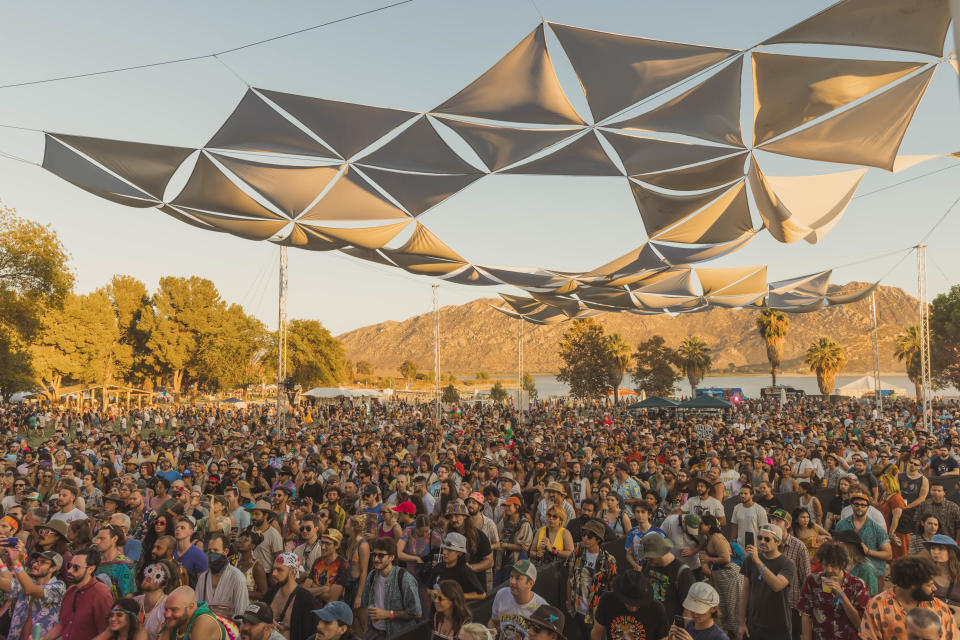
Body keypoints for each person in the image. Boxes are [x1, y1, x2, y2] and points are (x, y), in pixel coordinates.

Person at [859, 555, 960, 639]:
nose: (934, 588)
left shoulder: (940, 608)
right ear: (912, 585)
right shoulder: (877, 606)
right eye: (929, 585)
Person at [796, 541, 870, 640]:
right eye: (825, 565)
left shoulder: (857, 585)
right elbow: (806, 615)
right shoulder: (812, 581)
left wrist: (841, 594)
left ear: (843, 564)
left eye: (833, 565)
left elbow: (859, 624)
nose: (829, 570)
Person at [736, 524, 795, 640]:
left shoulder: (787, 564)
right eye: (760, 538)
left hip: (778, 627)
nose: (762, 542)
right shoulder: (750, 560)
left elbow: (777, 586)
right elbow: (745, 592)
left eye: (767, 539)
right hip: (754, 625)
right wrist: (741, 623)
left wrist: (758, 562)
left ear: (778, 542)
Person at [41, 549, 114, 640]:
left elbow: (107, 632)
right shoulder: (70, 591)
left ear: (91, 569)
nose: (70, 570)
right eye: (69, 565)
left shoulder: (102, 594)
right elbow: (63, 624)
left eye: (76, 567)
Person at [360, 538, 421, 640]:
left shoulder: (405, 578)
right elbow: (366, 602)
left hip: (397, 634)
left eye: (381, 555)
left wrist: (388, 614)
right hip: (374, 632)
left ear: (391, 557)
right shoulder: (372, 575)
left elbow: (416, 613)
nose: (376, 559)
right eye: (374, 555)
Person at [565, 520, 617, 640]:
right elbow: (570, 578)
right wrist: (568, 602)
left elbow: (612, 586)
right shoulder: (576, 553)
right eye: (583, 535)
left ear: (598, 539)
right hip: (578, 609)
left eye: (589, 536)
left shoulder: (609, 560)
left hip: (597, 612)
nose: (585, 538)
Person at [0, 548, 65, 640]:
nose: (34, 564)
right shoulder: (29, 583)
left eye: (42, 562)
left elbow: (30, 590)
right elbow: (8, 584)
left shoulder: (59, 587)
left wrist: (16, 562)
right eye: (35, 561)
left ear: (53, 568)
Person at [591, 570, 668, 640]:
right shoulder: (607, 600)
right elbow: (597, 631)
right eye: (628, 603)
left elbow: (663, 638)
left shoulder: (656, 608)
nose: (633, 608)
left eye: (637, 604)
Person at [697, 515, 740, 640]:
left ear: (709, 526)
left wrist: (709, 559)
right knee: (725, 608)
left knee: (732, 608)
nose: (699, 526)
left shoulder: (717, 538)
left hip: (729, 575)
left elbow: (726, 558)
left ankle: (736, 635)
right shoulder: (708, 538)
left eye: (702, 524)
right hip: (721, 575)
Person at [835, 493, 891, 578]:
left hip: (873, 574)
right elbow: (835, 545)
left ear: (868, 507)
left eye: (863, 505)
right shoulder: (841, 525)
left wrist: (868, 551)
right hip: (847, 573)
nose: (859, 507)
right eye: (856, 504)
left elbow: (888, 555)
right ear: (851, 505)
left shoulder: (876, 528)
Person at [265, 553, 319, 640]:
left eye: (279, 570)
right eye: (273, 569)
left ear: (292, 572)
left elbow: (313, 634)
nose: (274, 574)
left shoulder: (307, 600)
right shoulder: (271, 594)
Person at [489, 560, 546, 640]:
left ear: (531, 583)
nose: (512, 581)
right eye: (511, 576)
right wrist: (491, 634)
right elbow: (494, 622)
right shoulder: (502, 594)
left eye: (518, 578)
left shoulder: (541, 607)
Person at [196, 534, 249, 619]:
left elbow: (241, 612)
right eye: (210, 551)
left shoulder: (237, 577)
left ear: (226, 552)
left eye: (216, 550)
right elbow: (197, 606)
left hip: (229, 629)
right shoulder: (203, 578)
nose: (212, 554)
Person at [426, 532, 484, 601]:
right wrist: (433, 593)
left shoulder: (464, 571)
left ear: (459, 553)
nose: (444, 552)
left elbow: (482, 595)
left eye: (449, 550)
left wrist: (457, 596)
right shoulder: (438, 566)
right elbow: (428, 588)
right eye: (444, 548)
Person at [156, 586, 226, 640]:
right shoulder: (173, 620)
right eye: (166, 609)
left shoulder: (204, 621)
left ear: (191, 607)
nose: (167, 614)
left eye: (174, 609)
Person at [135, 561, 181, 640]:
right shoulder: (135, 602)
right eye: (150, 570)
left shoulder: (167, 608)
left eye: (157, 575)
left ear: (164, 584)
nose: (149, 575)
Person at [305, 529, 351, 603]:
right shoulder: (318, 562)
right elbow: (305, 590)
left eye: (327, 544)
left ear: (337, 545)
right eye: (322, 542)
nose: (323, 547)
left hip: (331, 611)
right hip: (313, 608)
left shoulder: (343, 565)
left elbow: (331, 598)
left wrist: (314, 587)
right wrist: (323, 589)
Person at [494, 497, 532, 586]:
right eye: (505, 506)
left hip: (517, 559)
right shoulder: (504, 521)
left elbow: (524, 547)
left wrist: (504, 545)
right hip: (502, 558)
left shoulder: (524, 524)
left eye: (509, 506)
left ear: (517, 507)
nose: (506, 508)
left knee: (513, 585)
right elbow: (496, 537)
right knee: (497, 586)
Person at [94, 523, 137, 598]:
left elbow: (128, 596)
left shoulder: (125, 565)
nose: (97, 542)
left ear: (114, 539)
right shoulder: (96, 561)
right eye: (97, 538)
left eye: (102, 538)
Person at [833, 530, 880, 596]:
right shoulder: (843, 564)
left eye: (839, 543)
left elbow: (871, 596)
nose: (835, 546)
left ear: (848, 546)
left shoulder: (866, 569)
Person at [922, 534, 960, 612]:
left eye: (941, 549)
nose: (935, 552)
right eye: (933, 548)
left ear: (951, 552)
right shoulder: (926, 573)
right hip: (930, 618)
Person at [729, 485, 767, 549]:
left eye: (745, 494)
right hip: (740, 546)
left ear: (752, 495)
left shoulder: (760, 510)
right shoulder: (736, 508)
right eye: (741, 493)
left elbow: (763, 529)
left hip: (755, 547)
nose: (743, 496)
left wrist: (761, 546)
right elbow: (735, 526)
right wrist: (731, 543)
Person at [172, 517, 207, 584]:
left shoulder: (198, 555)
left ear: (191, 532)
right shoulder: (170, 551)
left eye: (182, 528)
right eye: (176, 528)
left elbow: (203, 584)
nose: (178, 529)